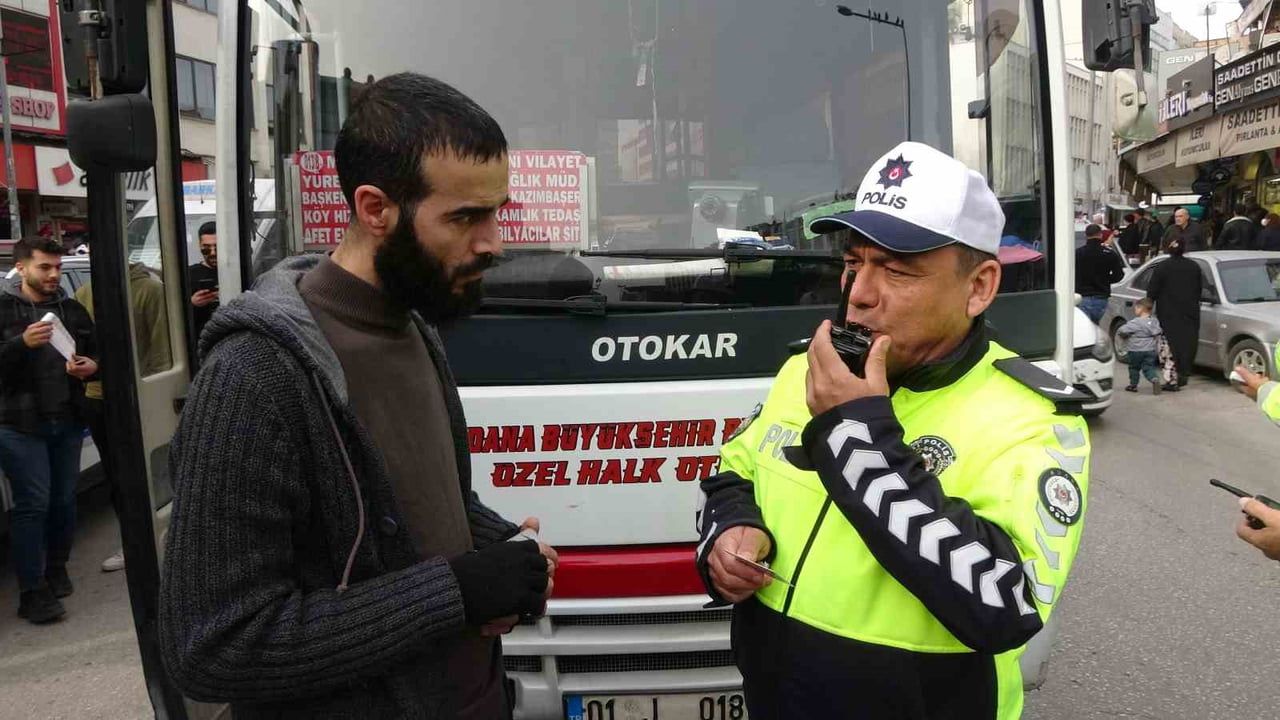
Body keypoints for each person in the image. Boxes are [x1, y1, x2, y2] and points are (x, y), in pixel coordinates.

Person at [160, 73, 556, 718]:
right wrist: (457, 591)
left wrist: (500, 542)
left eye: (496, 212)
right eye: (464, 217)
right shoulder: (254, 374)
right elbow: (214, 645)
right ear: (375, 210)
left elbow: (403, 504)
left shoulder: (417, 325)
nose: (493, 243)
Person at [695, 142, 1090, 720]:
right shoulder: (808, 369)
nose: (858, 293)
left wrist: (856, 435)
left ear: (978, 287)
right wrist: (729, 532)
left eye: (897, 270)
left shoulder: (1033, 419)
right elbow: (734, 470)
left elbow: (1007, 604)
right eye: (854, 263)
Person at [0, 237, 98, 624]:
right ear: (21, 267)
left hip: (67, 420)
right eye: (45, 267)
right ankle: (32, 591)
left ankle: (56, 567)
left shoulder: (71, 310)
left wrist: (93, 367)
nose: (54, 274)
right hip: (18, 425)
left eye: (58, 267)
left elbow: (99, 353)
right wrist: (19, 344)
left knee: (63, 501)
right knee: (32, 504)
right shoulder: (3, 309)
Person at [74, 262, 172, 572]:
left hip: (136, 396)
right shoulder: (83, 293)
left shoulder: (150, 290)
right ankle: (133, 541)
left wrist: (156, 393)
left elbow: (160, 350)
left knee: (148, 475)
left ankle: (158, 538)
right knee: (118, 478)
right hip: (97, 397)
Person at [1146, 238, 1202, 391]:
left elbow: (1152, 291)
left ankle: (1171, 379)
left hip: (1168, 313)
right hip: (1190, 312)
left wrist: (1148, 309)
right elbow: (1199, 289)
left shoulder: (1162, 267)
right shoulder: (1194, 267)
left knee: (1169, 345)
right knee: (1187, 343)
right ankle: (1184, 372)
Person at [1075, 223, 1126, 324]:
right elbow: (1119, 275)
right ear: (1100, 235)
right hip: (1101, 297)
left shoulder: (1078, 253)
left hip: (1082, 296)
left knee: (1085, 326)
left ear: (1086, 235)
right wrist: (1106, 279)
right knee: (1095, 324)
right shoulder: (1109, 253)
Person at [1115, 298, 1162, 394]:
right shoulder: (1155, 322)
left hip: (1135, 350)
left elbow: (1122, 330)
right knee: (1148, 367)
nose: (1135, 310)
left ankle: (1133, 385)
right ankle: (1154, 379)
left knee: (1134, 368)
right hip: (1150, 350)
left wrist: (1125, 336)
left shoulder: (1135, 322)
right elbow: (1158, 332)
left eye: (1136, 308)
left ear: (1140, 308)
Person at [187, 221, 219, 341]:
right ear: (200, 246)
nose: (213, 253)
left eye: (217, 247)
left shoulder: (237, 272)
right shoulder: (189, 274)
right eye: (206, 249)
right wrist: (193, 304)